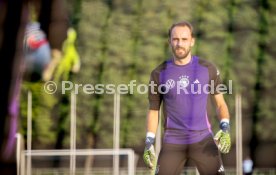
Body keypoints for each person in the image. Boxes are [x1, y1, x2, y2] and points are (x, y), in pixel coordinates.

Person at [143, 21, 231, 175]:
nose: (179, 44)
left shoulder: (207, 68)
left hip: (203, 138)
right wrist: (149, 141)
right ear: (169, 41)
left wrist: (225, 127)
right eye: (175, 39)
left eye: (184, 39)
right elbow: (153, 111)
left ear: (192, 41)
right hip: (173, 141)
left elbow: (220, 104)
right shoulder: (158, 73)